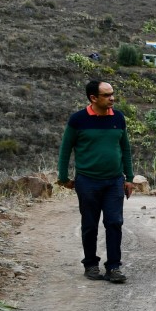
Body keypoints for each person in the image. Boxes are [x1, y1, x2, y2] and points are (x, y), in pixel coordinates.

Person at [57, 79, 135, 284]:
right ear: (93, 98)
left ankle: (113, 267)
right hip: (87, 181)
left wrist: (129, 178)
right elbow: (66, 149)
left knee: (114, 223)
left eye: (112, 94)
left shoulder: (118, 118)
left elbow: (125, 148)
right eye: (107, 95)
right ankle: (91, 264)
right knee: (90, 224)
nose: (112, 98)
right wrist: (63, 177)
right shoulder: (78, 120)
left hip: (114, 181)